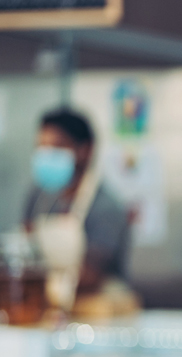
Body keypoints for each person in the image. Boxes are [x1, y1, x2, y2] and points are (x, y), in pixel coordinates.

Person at [22, 109, 134, 313]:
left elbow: (91, 274)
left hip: (98, 308)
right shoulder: (38, 197)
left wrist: (32, 281)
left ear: (85, 150)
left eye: (56, 147)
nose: (46, 155)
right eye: (41, 147)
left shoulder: (106, 206)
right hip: (49, 308)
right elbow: (25, 247)